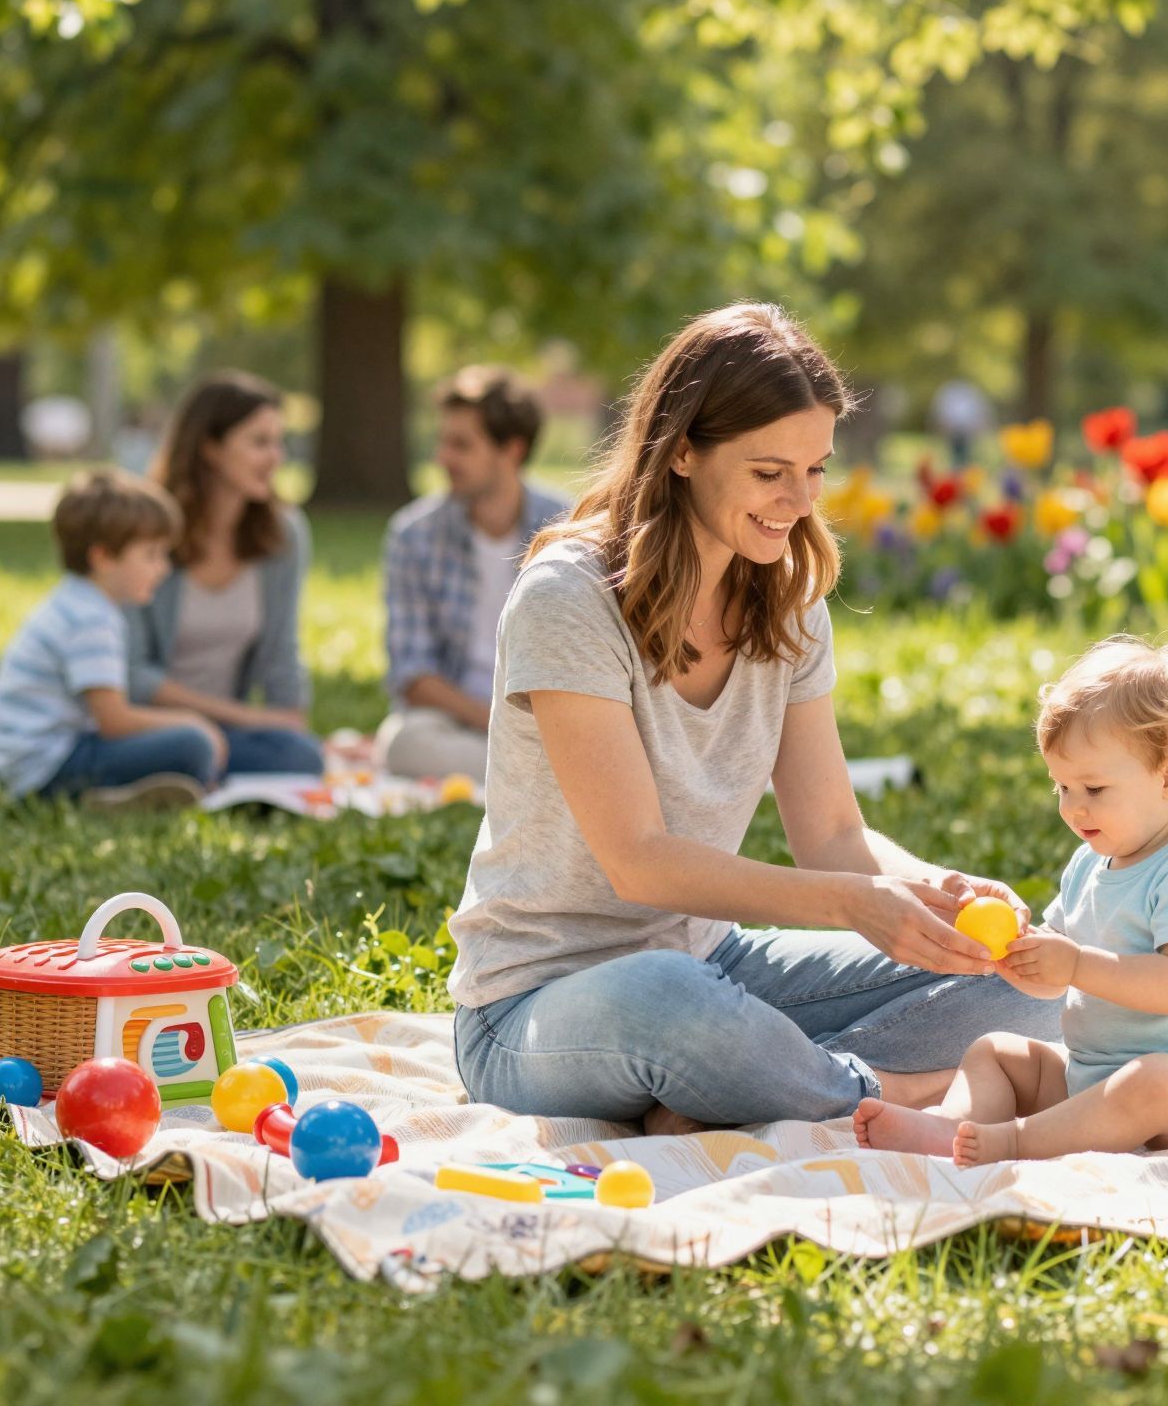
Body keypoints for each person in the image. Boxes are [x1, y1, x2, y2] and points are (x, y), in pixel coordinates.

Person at [447, 302, 1058, 1133]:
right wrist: (851, 904)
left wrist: (928, 895)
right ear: (684, 451)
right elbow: (640, 864)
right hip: (537, 1005)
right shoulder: (570, 598)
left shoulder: (790, 604)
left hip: (713, 960)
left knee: (1015, 978)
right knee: (672, 1000)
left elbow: (835, 835)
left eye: (816, 470)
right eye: (770, 473)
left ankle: (742, 1085)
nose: (799, 502)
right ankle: (881, 1092)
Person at [853, 637, 1168, 1165]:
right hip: (1091, 1075)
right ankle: (950, 1128)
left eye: (1092, 788)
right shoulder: (1090, 862)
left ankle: (1018, 1141)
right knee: (994, 1051)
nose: (1073, 808)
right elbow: (1060, 971)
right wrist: (1026, 961)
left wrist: (1074, 964)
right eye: (1062, 788)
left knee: (1150, 1082)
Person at [0, 469, 226, 809]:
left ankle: (116, 796)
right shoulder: (91, 619)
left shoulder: (77, 603)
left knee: (189, 744)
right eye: (151, 555)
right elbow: (115, 721)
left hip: (30, 765)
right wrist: (194, 722)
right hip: (48, 771)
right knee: (195, 745)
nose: (163, 568)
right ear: (103, 557)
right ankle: (95, 798)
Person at [128, 371, 325, 777]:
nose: (276, 457)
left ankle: (180, 775)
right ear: (210, 448)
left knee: (301, 757)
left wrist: (290, 718)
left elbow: (282, 652)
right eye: (259, 442)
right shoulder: (147, 531)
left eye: (278, 442)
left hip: (226, 734)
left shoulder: (284, 534)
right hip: (147, 727)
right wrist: (248, 717)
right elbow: (131, 674)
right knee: (191, 747)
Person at [375, 366, 567, 781]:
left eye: (460, 445)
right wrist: (494, 722)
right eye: (442, 442)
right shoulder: (413, 535)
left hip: (550, 719)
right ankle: (545, 779)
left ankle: (529, 775)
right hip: (456, 719)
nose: (442, 458)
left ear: (511, 451)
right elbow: (412, 673)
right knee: (403, 743)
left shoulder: (569, 529)